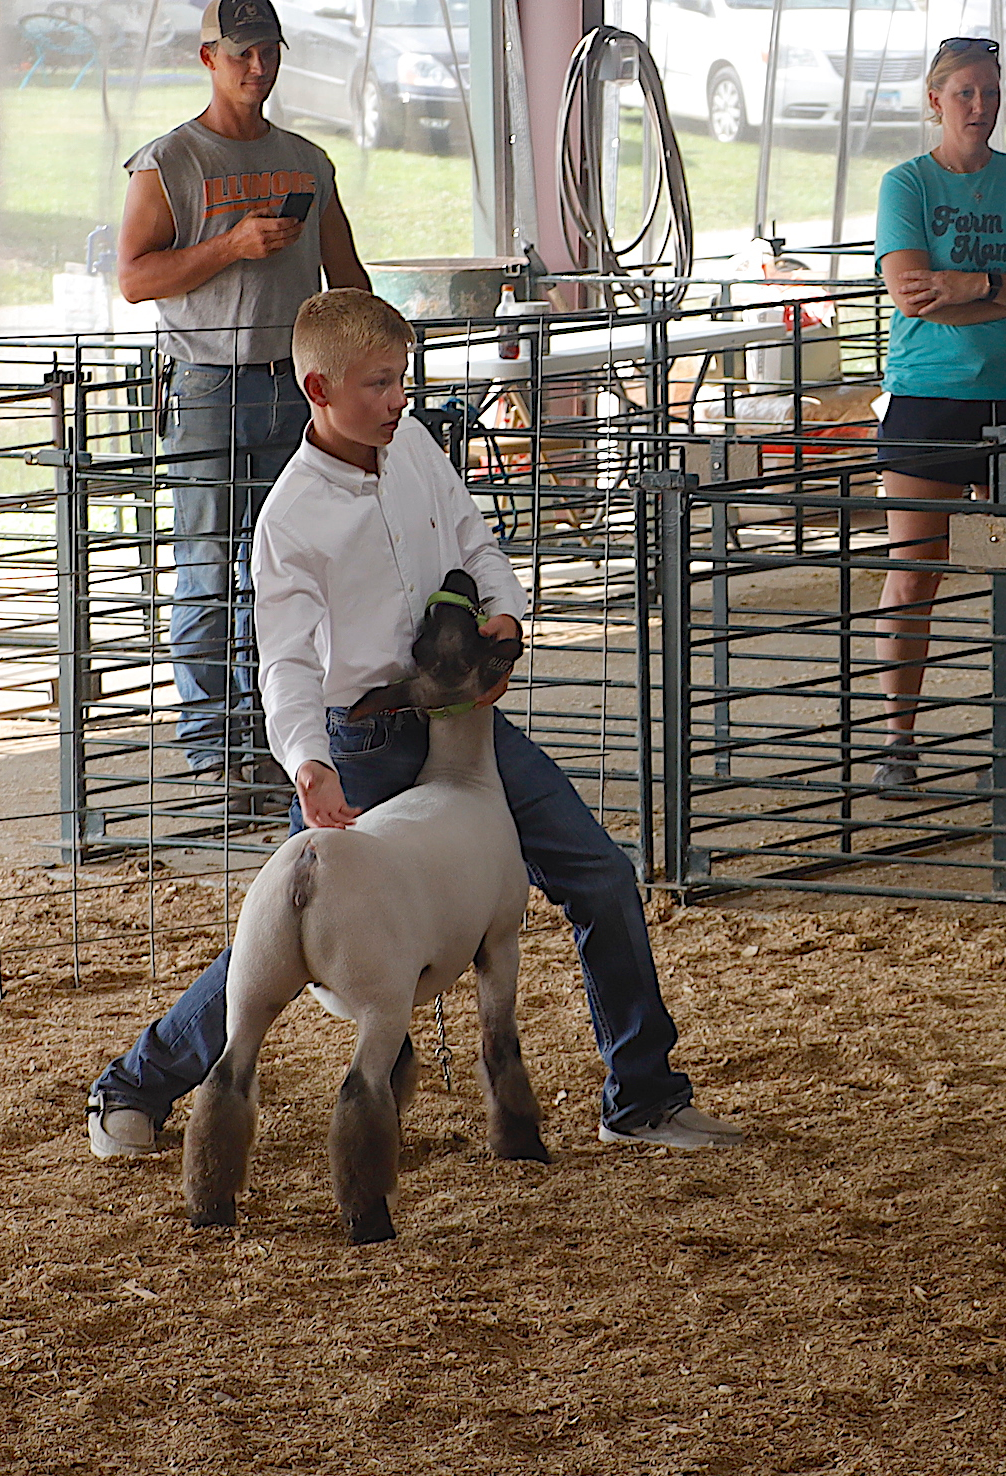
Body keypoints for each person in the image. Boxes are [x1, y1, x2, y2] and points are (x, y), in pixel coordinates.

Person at [87, 289, 742, 1159]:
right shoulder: (290, 518)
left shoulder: (416, 447)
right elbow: (283, 660)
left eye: (403, 378)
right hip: (360, 747)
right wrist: (307, 762)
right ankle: (133, 1084)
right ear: (319, 388)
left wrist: (504, 616)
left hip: (462, 724)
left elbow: (475, 545)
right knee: (283, 935)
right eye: (379, 384)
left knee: (601, 875)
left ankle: (643, 1098)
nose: (399, 398)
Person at [118, 0, 370, 803]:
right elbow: (133, 278)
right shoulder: (169, 162)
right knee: (207, 565)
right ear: (208, 59)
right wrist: (231, 244)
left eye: (269, 52)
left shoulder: (308, 162)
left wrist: (368, 360)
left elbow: (347, 276)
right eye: (241, 55)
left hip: (297, 382)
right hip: (207, 379)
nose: (258, 68)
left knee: (285, 568)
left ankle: (279, 735)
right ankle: (212, 743)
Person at [868, 35, 1006, 799]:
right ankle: (899, 740)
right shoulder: (908, 184)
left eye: (990, 91)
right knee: (914, 571)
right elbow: (912, 293)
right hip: (930, 399)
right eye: (965, 92)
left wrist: (976, 283)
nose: (980, 105)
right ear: (936, 100)